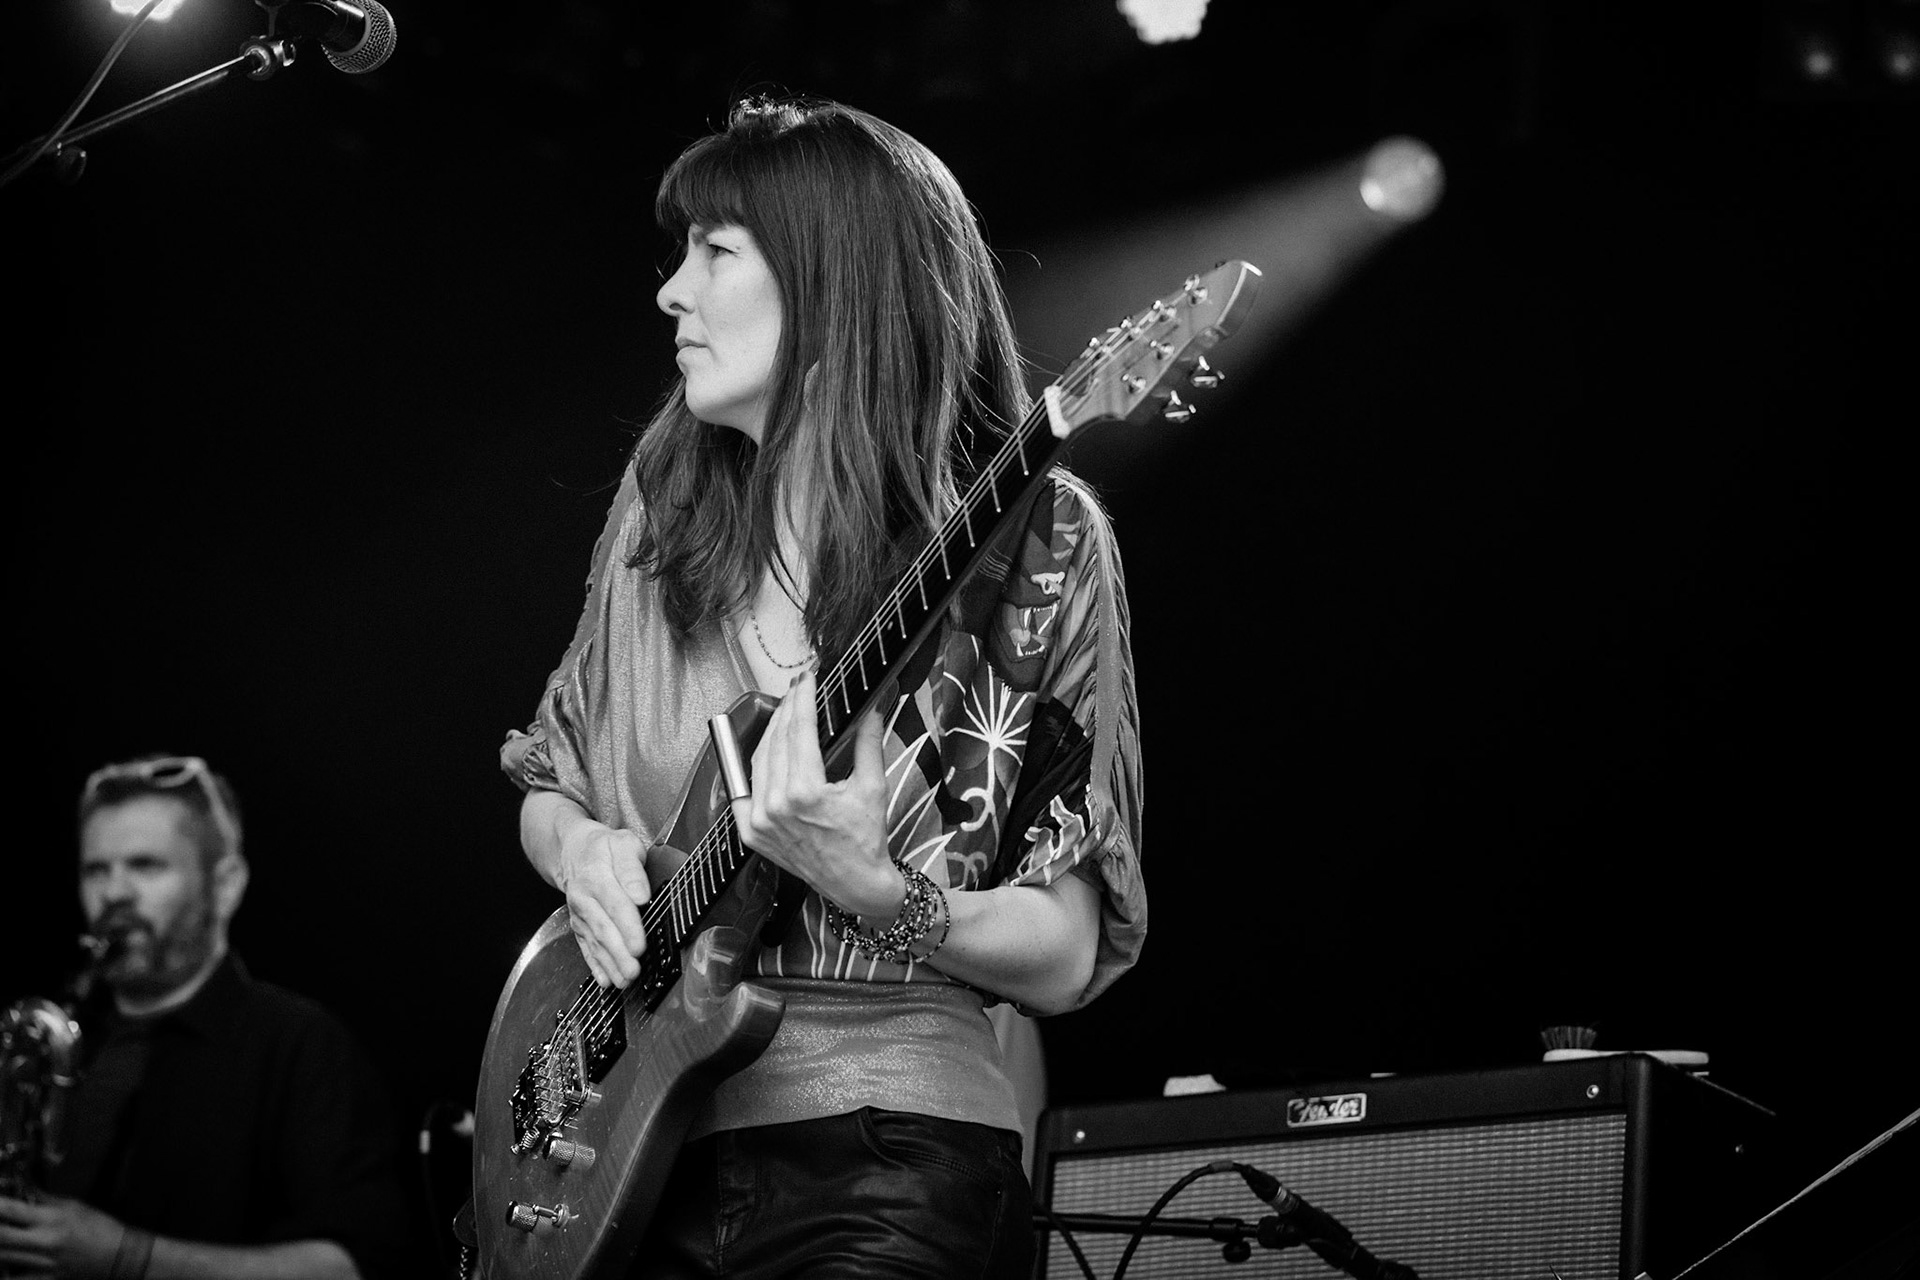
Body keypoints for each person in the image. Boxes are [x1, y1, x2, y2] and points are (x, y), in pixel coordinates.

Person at [498, 95, 1146, 1277]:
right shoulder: (660, 513)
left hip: (890, 1154)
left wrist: (878, 888)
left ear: (831, 286)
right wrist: (580, 848)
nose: (670, 293)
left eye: (716, 252)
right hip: (628, 1149)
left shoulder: (1039, 546)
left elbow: (1065, 948)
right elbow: (549, 775)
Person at [0, 755, 413, 1279]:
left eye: (146, 865)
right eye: (95, 870)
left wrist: (128, 1259)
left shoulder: (300, 1043)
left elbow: (353, 1267)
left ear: (225, 885)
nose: (114, 893)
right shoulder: (48, 1044)